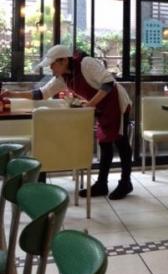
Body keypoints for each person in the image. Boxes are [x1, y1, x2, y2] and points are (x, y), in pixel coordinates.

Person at [1, 44, 133, 200]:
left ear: (63, 61)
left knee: (121, 142)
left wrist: (90, 104)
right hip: (101, 107)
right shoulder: (63, 77)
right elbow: (41, 93)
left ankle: (126, 182)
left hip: (116, 103)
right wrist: (12, 94)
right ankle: (102, 184)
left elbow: (108, 83)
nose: (51, 69)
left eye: (52, 65)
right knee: (104, 143)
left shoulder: (86, 63)